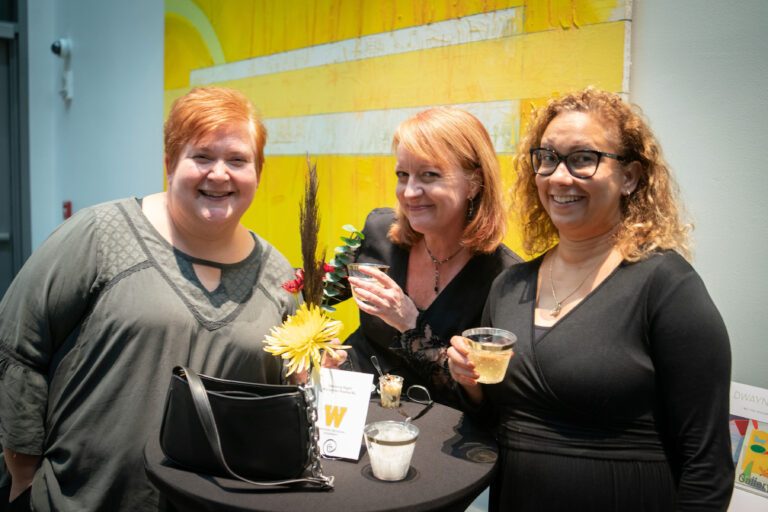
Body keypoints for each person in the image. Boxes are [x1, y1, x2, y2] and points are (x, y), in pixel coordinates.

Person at [0, 87, 301, 511]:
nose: (219, 174)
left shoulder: (278, 276)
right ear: (169, 163)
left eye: (237, 159)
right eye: (201, 156)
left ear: (258, 171)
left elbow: (281, 398)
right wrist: (25, 475)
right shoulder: (99, 237)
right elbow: (17, 350)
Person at [447, 88, 734, 510]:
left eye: (583, 158)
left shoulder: (666, 287)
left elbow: (707, 468)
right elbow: (495, 424)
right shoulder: (510, 286)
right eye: (547, 157)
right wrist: (470, 386)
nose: (560, 177)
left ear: (630, 177)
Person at [342, 107, 521, 407]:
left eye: (429, 175)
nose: (409, 192)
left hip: (432, 432)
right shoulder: (379, 231)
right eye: (403, 175)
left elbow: (478, 403)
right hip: (353, 407)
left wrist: (408, 322)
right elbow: (321, 292)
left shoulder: (504, 280)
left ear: (474, 183)